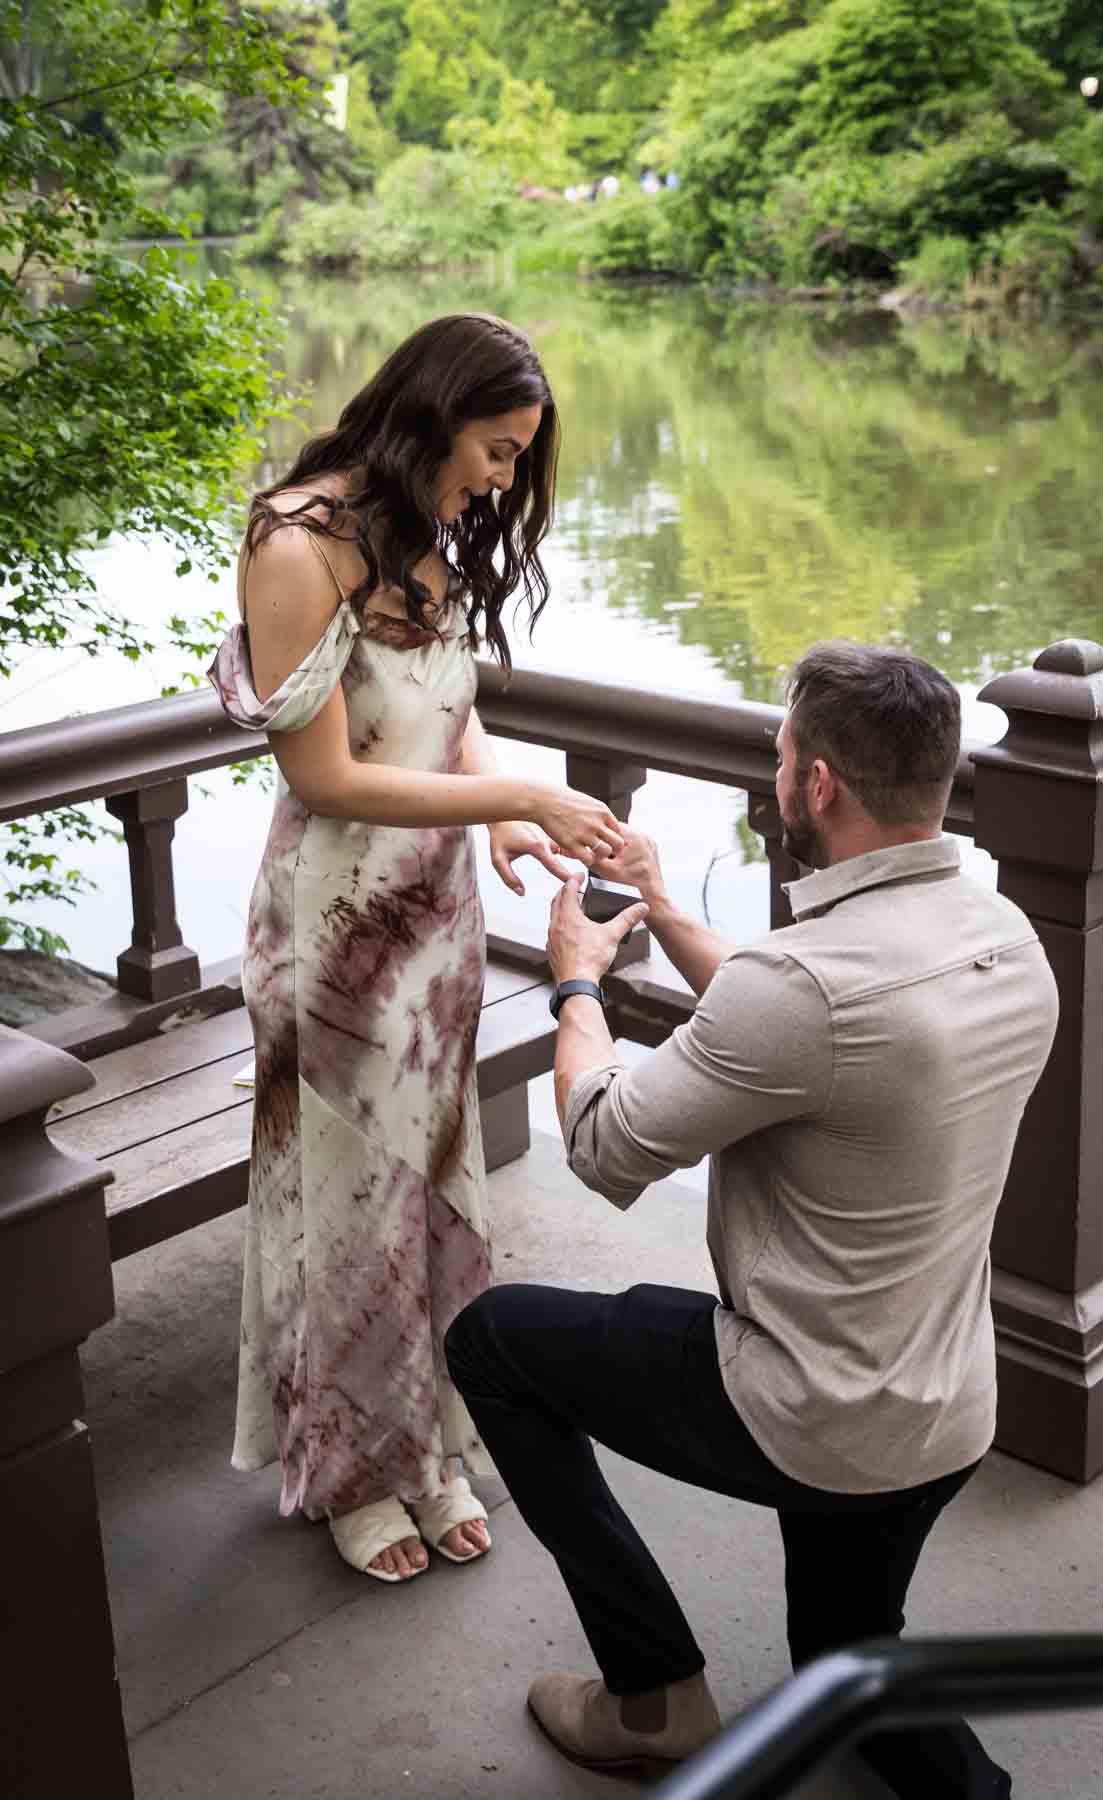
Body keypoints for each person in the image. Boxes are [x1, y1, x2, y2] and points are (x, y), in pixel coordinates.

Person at [446, 641, 1060, 1794]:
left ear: (818, 782)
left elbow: (604, 1140)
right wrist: (669, 909)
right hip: (947, 1413)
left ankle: (653, 1698)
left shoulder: (803, 989)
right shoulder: (1005, 939)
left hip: (812, 1414)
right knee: (840, 1657)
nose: (778, 778)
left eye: (782, 758)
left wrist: (577, 979)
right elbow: (811, 1021)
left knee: (494, 1343)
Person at [206, 313, 625, 1585]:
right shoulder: (298, 545)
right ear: (434, 413)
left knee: (430, 1196)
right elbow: (328, 778)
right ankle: (349, 1468)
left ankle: (431, 1440)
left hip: (435, 924)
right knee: (347, 1207)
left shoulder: (424, 524)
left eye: (513, 460)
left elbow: (449, 712)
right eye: (495, 451)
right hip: (334, 930)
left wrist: (496, 808)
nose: (501, 480)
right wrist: (522, 803)